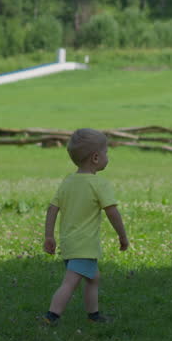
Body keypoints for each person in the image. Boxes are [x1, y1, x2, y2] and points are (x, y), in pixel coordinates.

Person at [42, 128, 128, 326]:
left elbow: (52, 208)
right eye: (106, 152)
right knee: (70, 282)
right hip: (84, 245)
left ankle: (93, 316)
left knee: (93, 278)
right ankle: (51, 316)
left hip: (69, 243)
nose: (108, 156)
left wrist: (49, 236)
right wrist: (122, 236)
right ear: (96, 157)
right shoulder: (99, 184)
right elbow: (112, 212)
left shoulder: (68, 181)